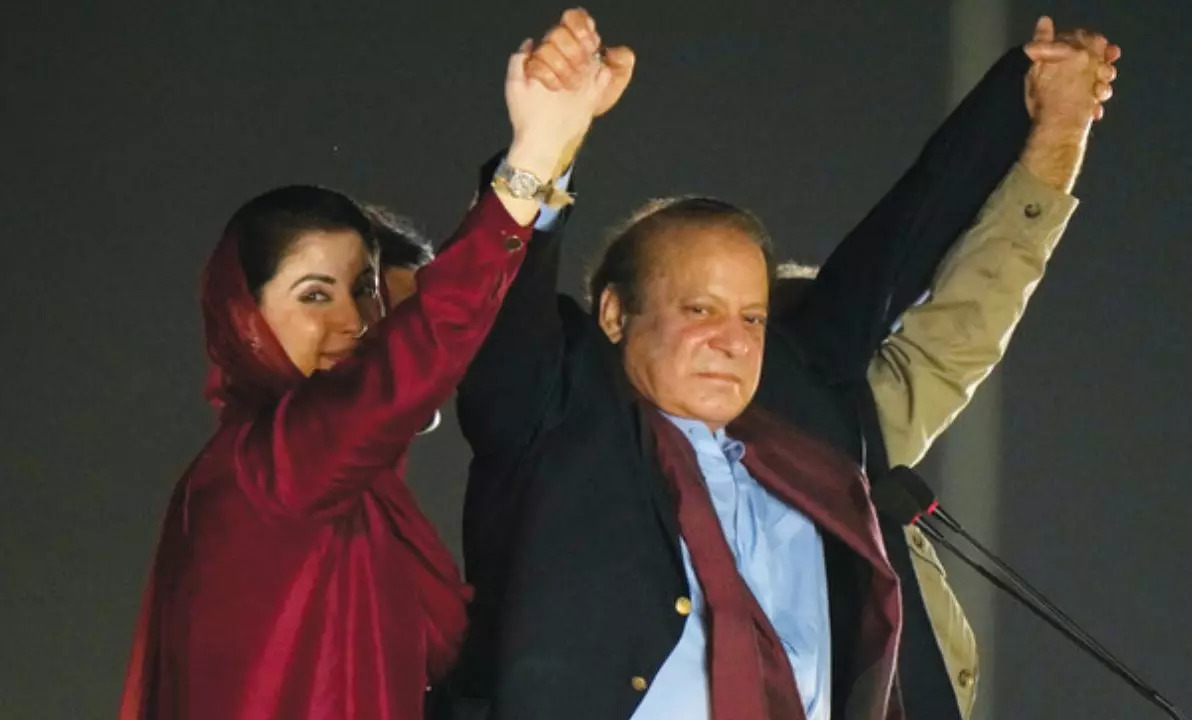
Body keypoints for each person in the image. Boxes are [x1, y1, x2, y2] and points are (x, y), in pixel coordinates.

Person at [442, 11, 1118, 720]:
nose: (732, 340)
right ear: (614, 315)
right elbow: (496, 306)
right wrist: (545, 144)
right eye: (698, 309)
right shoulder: (555, 414)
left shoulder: (810, 415)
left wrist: (1029, 97)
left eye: (752, 317)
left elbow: (906, 234)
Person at [117, 32, 625, 720]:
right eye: (314, 294)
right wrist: (536, 155)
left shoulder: (362, 498)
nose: (356, 324)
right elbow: (426, 341)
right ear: (243, 319)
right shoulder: (264, 471)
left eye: (364, 292)